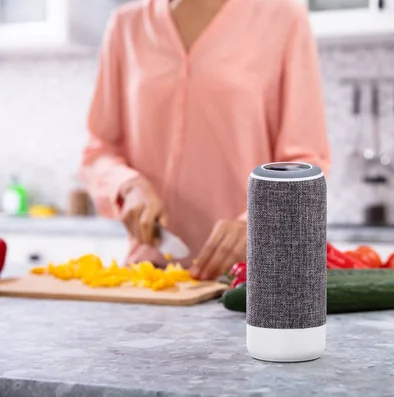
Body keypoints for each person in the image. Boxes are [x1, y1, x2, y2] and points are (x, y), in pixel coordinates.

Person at [80, 0, 330, 280]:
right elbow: (98, 151)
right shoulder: (126, 26)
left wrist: (259, 221)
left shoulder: (284, 18)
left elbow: (306, 161)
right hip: (151, 278)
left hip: (247, 279)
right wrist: (127, 186)